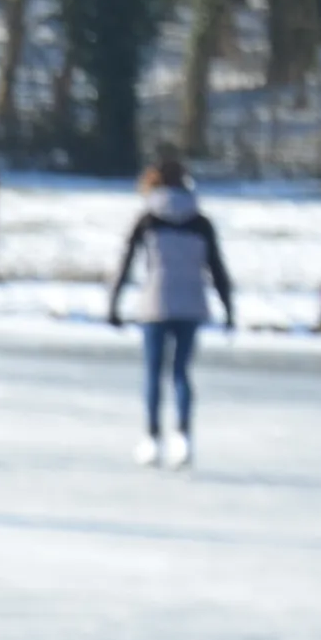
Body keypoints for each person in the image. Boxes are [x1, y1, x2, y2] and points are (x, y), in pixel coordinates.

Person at [105, 154, 235, 468]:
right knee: (180, 372)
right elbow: (216, 267)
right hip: (191, 304)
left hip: (155, 303)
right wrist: (229, 308)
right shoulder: (200, 221)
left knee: (153, 372)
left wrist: (114, 302)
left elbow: (125, 264)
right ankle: (183, 436)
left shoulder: (147, 218)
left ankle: (151, 437)